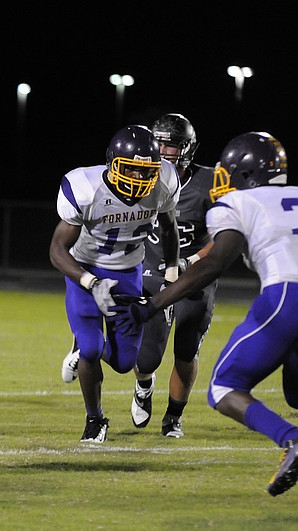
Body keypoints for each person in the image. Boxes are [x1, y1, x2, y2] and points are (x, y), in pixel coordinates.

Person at [112, 131, 298, 496]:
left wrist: (154, 305)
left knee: (225, 388)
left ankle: (290, 439)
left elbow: (214, 263)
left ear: (245, 173)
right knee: (294, 394)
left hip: (287, 296)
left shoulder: (239, 201)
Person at [50, 124, 180, 444]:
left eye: (146, 171)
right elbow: (57, 251)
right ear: (112, 164)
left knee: (124, 363)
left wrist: (172, 270)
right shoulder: (85, 187)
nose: (138, 178)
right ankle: (95, 419)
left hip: (128, 273)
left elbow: (169, 227)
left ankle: (84, 345)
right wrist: (90, 282)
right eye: (131, 169)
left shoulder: (164, 182)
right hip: (85, 271)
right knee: (92, 350)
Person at [131, 114, 216, 438]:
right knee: (147, 357)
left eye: (173, 145)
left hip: (196, 276)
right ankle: (144, 384)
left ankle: (173, 417)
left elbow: (226, 237)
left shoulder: (209, 182)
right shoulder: (140, 175)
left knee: (186, 349)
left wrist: (191, 260)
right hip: (153, 271)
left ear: (188, 148)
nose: (165, 151)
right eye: (160, 143)